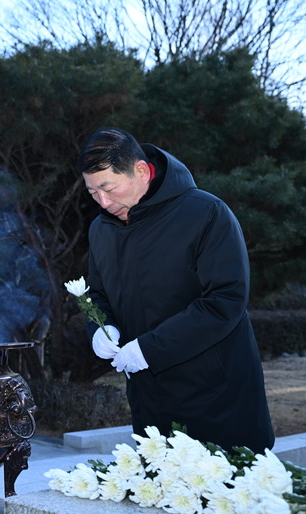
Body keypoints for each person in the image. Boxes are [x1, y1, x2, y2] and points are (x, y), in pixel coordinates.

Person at [78, 127, 274, 453]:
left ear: (141, 171)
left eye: (108, 188)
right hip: (148, 399)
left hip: (216, 396)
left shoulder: (206, 213)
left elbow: (224, 301)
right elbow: (96, 294)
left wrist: (149, 349)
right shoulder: (101, 229)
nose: (103, 202)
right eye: (92, 192)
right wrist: (100, 327)